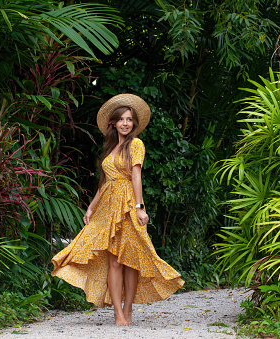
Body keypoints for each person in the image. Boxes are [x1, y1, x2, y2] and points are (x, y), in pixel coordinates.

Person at [51, 93, 184, 326]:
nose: (125, 123)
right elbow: (105, 183)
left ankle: (128, 308)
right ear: (113, 122)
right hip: (106, 208)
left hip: (128, 204)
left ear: (134, 124)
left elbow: (136, 176)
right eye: (121, 119)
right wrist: (91, 208)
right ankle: (118, 315)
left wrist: (139, 207)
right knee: (114, 261)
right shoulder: (111, 146)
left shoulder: (136, 144)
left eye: (129, 119)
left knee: (131, 258)